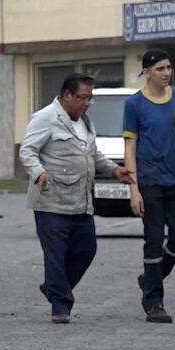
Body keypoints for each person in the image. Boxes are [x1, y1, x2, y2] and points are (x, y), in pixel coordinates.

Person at [19, 73, 133, 324]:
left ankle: (55, 288)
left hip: (81, 201)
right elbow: (27, 150)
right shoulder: (45, 118)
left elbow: (92, 153)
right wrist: (39, 173)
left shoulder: (84, 122)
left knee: (86, 249)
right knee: (56, 255)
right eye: (83, 97)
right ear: (67, 95)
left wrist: (114, 170)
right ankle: (60, 305)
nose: (86, 103)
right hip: (51, 201)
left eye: (90, 99)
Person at [124, 48, 175, 323]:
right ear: (147, 72)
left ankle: (152, 277)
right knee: (153, 239)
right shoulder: (135, 104)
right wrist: (133, 189)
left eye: (168, 68)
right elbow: (130, 147)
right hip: (149, 181)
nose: (166, 73)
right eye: (160, 69)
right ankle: (154, 302)